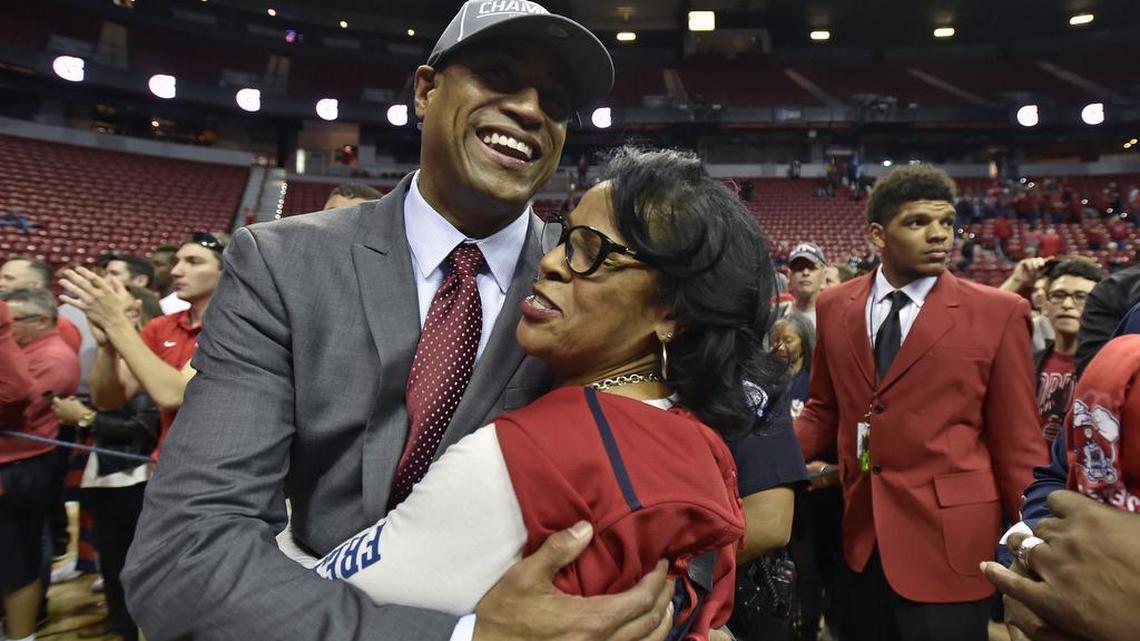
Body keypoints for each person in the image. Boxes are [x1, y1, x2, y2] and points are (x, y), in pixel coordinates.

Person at [118, 5, 681, 641]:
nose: (530, 110)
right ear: (425, 90)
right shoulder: (281, 263)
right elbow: (185, 557)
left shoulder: (601, 285)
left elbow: (693, 505)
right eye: (498, 76)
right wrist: (466, 637)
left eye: (554, 101)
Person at [279, 147, 788, 641]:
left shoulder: (523, 457)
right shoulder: (699, 438)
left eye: (592, 253)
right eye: (565, 238)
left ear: (673, 313)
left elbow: (310, 607)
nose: (551, 263)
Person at [794, 164, 1047, 641]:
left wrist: (1031, 538)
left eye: (946, 223)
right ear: (877, 234)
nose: (939, 236)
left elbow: (1018, 441)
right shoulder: (834, 306)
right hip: (859, 538)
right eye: (917, 223)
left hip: (952, 544)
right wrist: (760, 461)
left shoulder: (999, 312)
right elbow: (824, 409)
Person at [50, 285, 162, 641]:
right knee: (112, 562)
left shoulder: (153, 351)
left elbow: (143, 425)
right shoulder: (114, 352)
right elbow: (105, 398)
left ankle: (131, 628)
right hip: (107, 471)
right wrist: (105, 345)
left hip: (133, 475)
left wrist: (84, 418)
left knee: (130, 564)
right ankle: (120, 624)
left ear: (136, 312)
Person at [60, 232, 224, 458]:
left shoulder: (237, 326)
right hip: (166, 462)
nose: (176, 271)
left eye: (193, 262)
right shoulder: (161, 326)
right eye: (176, 261)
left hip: (215, 466)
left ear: (228, 271)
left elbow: (173, 395)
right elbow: (108, 400)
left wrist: (116, 323)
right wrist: (107, 345)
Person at [0, 289, 81, 641]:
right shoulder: (24, 350)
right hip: (16, 462)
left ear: (41, 322)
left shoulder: (53, 356)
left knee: (19, 556)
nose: (7, 327)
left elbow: (17, 405)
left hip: (22, 466)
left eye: (12, 321)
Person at [773, 314, 842, 641]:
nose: (781, 347)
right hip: (789, 489)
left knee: (818, 568)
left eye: (788, 340)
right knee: (796, 568)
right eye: (777, 340)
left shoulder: (816, 379)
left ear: (805, 340)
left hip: (820, 491)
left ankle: (816, 625)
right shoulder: (772, 379)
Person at [1033, 259, 1105, 443]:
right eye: (1058, 295)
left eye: (1081, 296)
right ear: (1046, 305)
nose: (1067, 304)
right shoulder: (1026, 363)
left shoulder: (1105, 367)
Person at [781, 243, 826, 327]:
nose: (805, 273)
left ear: (823, 275)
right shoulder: (778, 315)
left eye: (812, 267)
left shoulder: (835, 316)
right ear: (789, 276)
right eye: (799, 268)